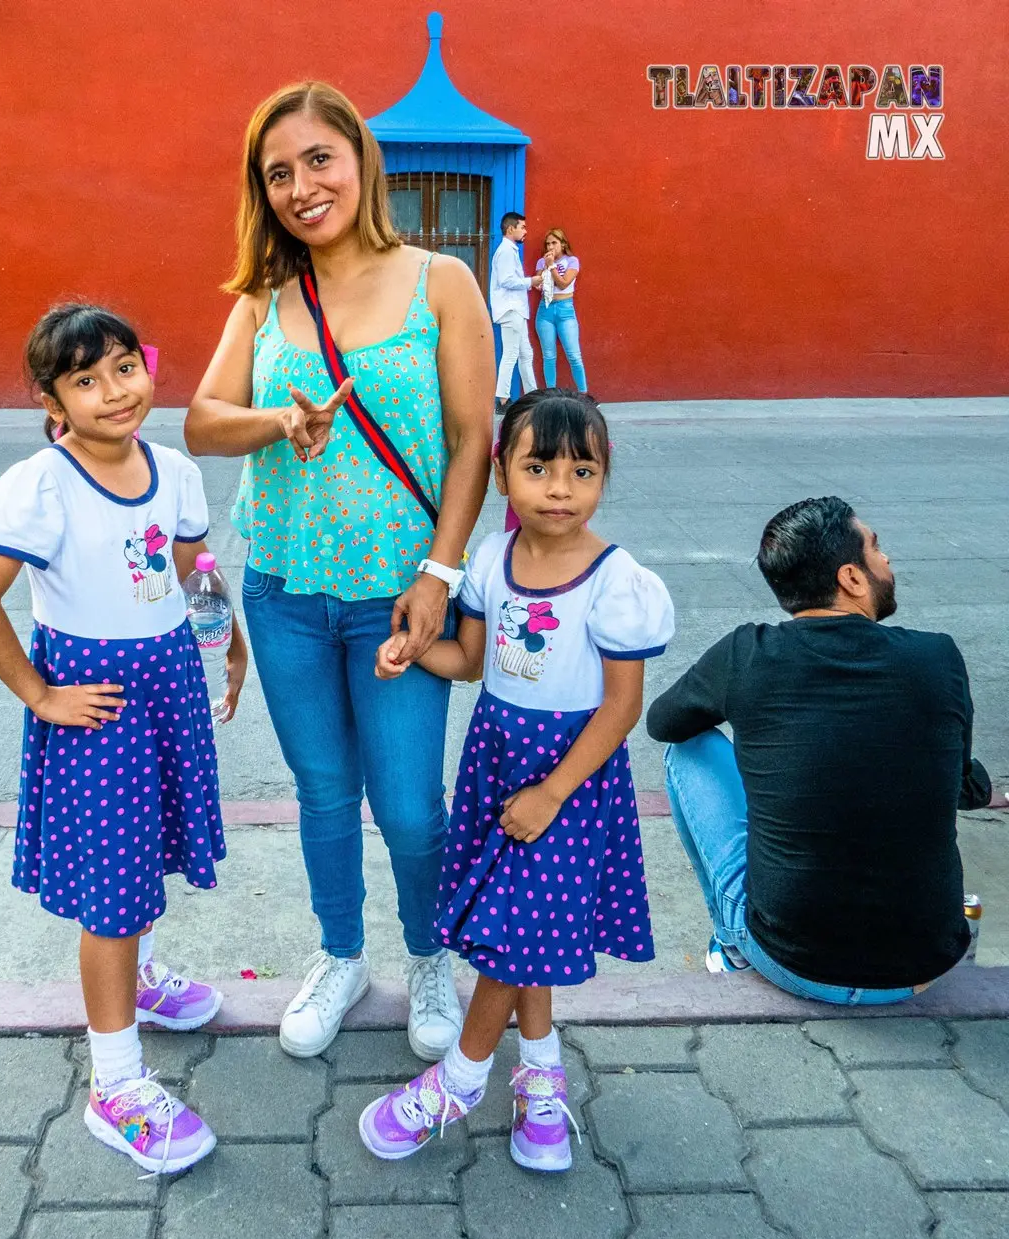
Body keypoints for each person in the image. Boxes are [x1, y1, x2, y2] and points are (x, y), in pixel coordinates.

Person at [184, 83, 495, 1062]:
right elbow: (200, 420)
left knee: (408, 805)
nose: (298, 186)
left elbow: (471, 437)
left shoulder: (440, 279)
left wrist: (440, 573)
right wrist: (280, 419)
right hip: (283, 592)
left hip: (397, 601)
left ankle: (429, 954)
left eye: (317, 159)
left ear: (360, 161)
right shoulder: (264, 299)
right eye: (276, 172)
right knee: (322, 791)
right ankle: (340, 950)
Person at [0, 303, 248, 1174]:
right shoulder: (37, 486)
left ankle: (143, 980)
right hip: (99, 702)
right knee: (112, 891)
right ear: (53, 400)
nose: (115, 391)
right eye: (86, 380)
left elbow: (194, 567)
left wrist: (227, 645)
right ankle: (114, 1086)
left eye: (125, 367)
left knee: (146, 851)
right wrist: (40, 693)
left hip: (169, 683)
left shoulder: (177, 470)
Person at [361, 389, 674, 1172]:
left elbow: (622, 706)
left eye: (582, 470)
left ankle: (460, 1081)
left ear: (604, 478)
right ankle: (539, 1074)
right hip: (499, 760)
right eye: (538, 468)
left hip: (569, 779)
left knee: (509, 937)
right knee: (522, 927)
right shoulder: (490, 563)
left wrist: (554, 792)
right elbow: (470, 661)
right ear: (502, 474)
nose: (560, 488)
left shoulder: (616, 580)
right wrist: (408, 652)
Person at [647, 495, 994, 1004]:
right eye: (876, 548)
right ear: (851, 578)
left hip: (791, 960)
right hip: (921, 967)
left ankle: (731, 942)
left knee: (688, 751)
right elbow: (964, 786)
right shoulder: (937, 656)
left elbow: (664, 722)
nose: (888, 560)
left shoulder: (748, 653)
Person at [490, 212, 541, 414]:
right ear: (511, 229)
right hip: (511, 309)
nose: (525, 231)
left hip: (515, 309)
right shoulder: (506, 251)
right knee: (512, 354)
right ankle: (502, 400)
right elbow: (506, 280)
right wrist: (531, 281)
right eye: (522, 227)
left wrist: (529, 282)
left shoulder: (508, 250)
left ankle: (532, 395)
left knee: (524, 353)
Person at [533, 228, 587, 391]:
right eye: (548, 243)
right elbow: (538, 285)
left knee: (574, 355)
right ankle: (551, 393)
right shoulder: (541, 262)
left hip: (565, 310)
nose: (550, 247)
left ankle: (584, 393)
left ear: (563, 244)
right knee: (549, 356)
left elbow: (563, 283)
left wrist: (552, 267)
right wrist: (545, 268)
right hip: (545, 310)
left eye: (554, 243)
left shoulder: (572, 261)